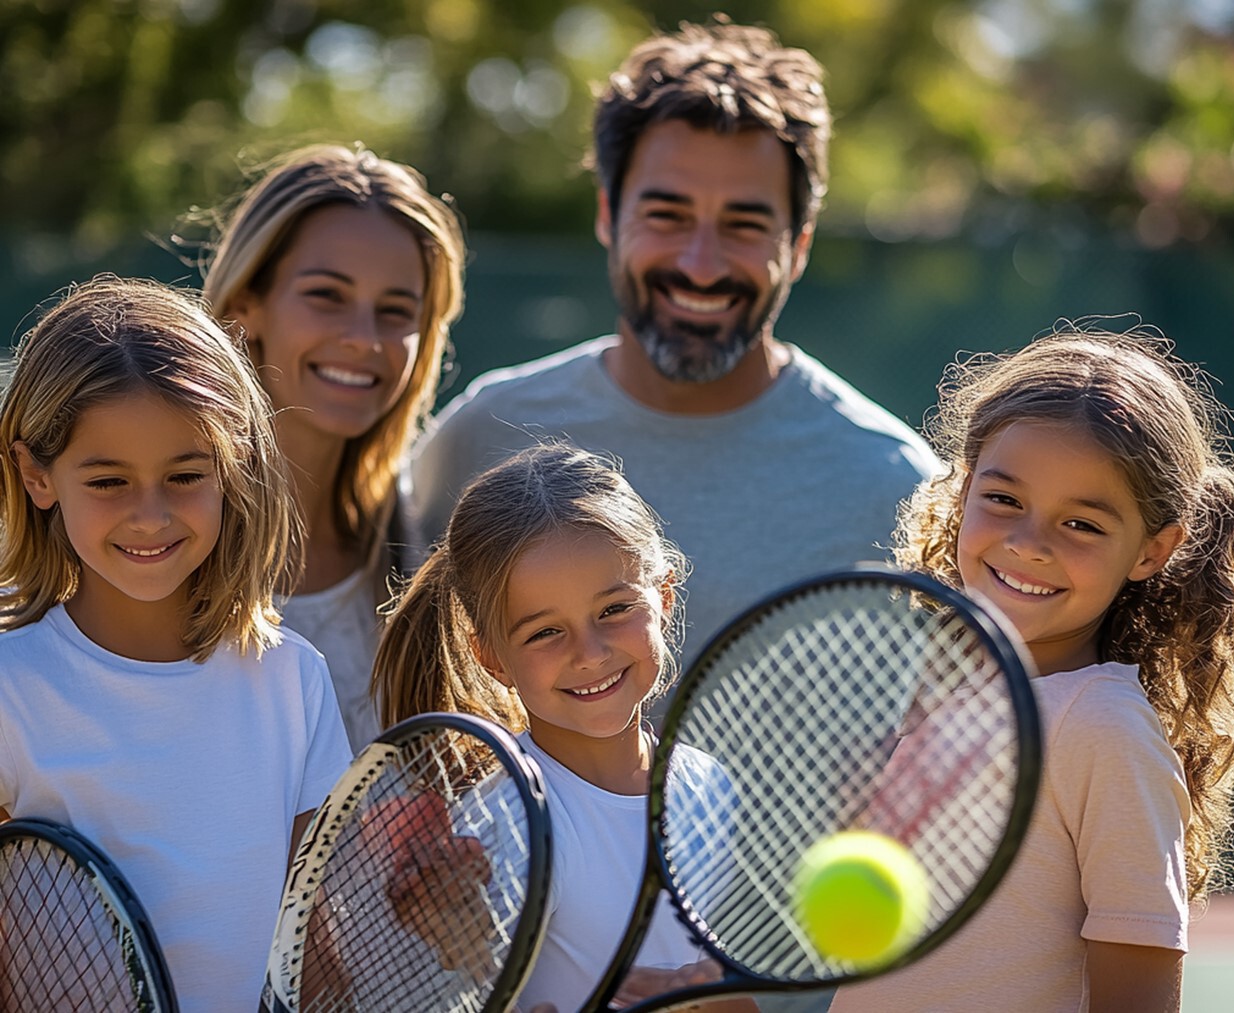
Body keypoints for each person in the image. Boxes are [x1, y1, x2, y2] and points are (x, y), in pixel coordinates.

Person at [407, 19, 938, 690]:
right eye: (667, 214)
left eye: (744, 225)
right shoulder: (480, 434)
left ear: (798, 246)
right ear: (608, 214)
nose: (701, 264)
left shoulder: (899, 486)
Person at [833, 323, 1234, 1012]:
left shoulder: (1104, 728)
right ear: (964, 490)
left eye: (1081, 524)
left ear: (1154, 550)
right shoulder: (940, 702)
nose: (1029, 544)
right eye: (1004, 500)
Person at [0, 276, 353, 1012]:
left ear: (233, 465)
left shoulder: (293, 680)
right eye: (108, 481)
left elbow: (318, 950)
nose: (151, 515)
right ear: (37, 475)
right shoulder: (11, 685)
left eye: (185, 475)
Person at [372, 443, 752, 1012]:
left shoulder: (710, 785)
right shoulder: (500, 828)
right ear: (491, 656)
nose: (590, 653)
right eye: (545, 632)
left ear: (664, 597)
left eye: (614, 610)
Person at [196, 142, 467, 751]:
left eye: (397, 310)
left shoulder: (423, 545)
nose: (363, 339)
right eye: (327, 295)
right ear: (245, 308)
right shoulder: (149, 534)